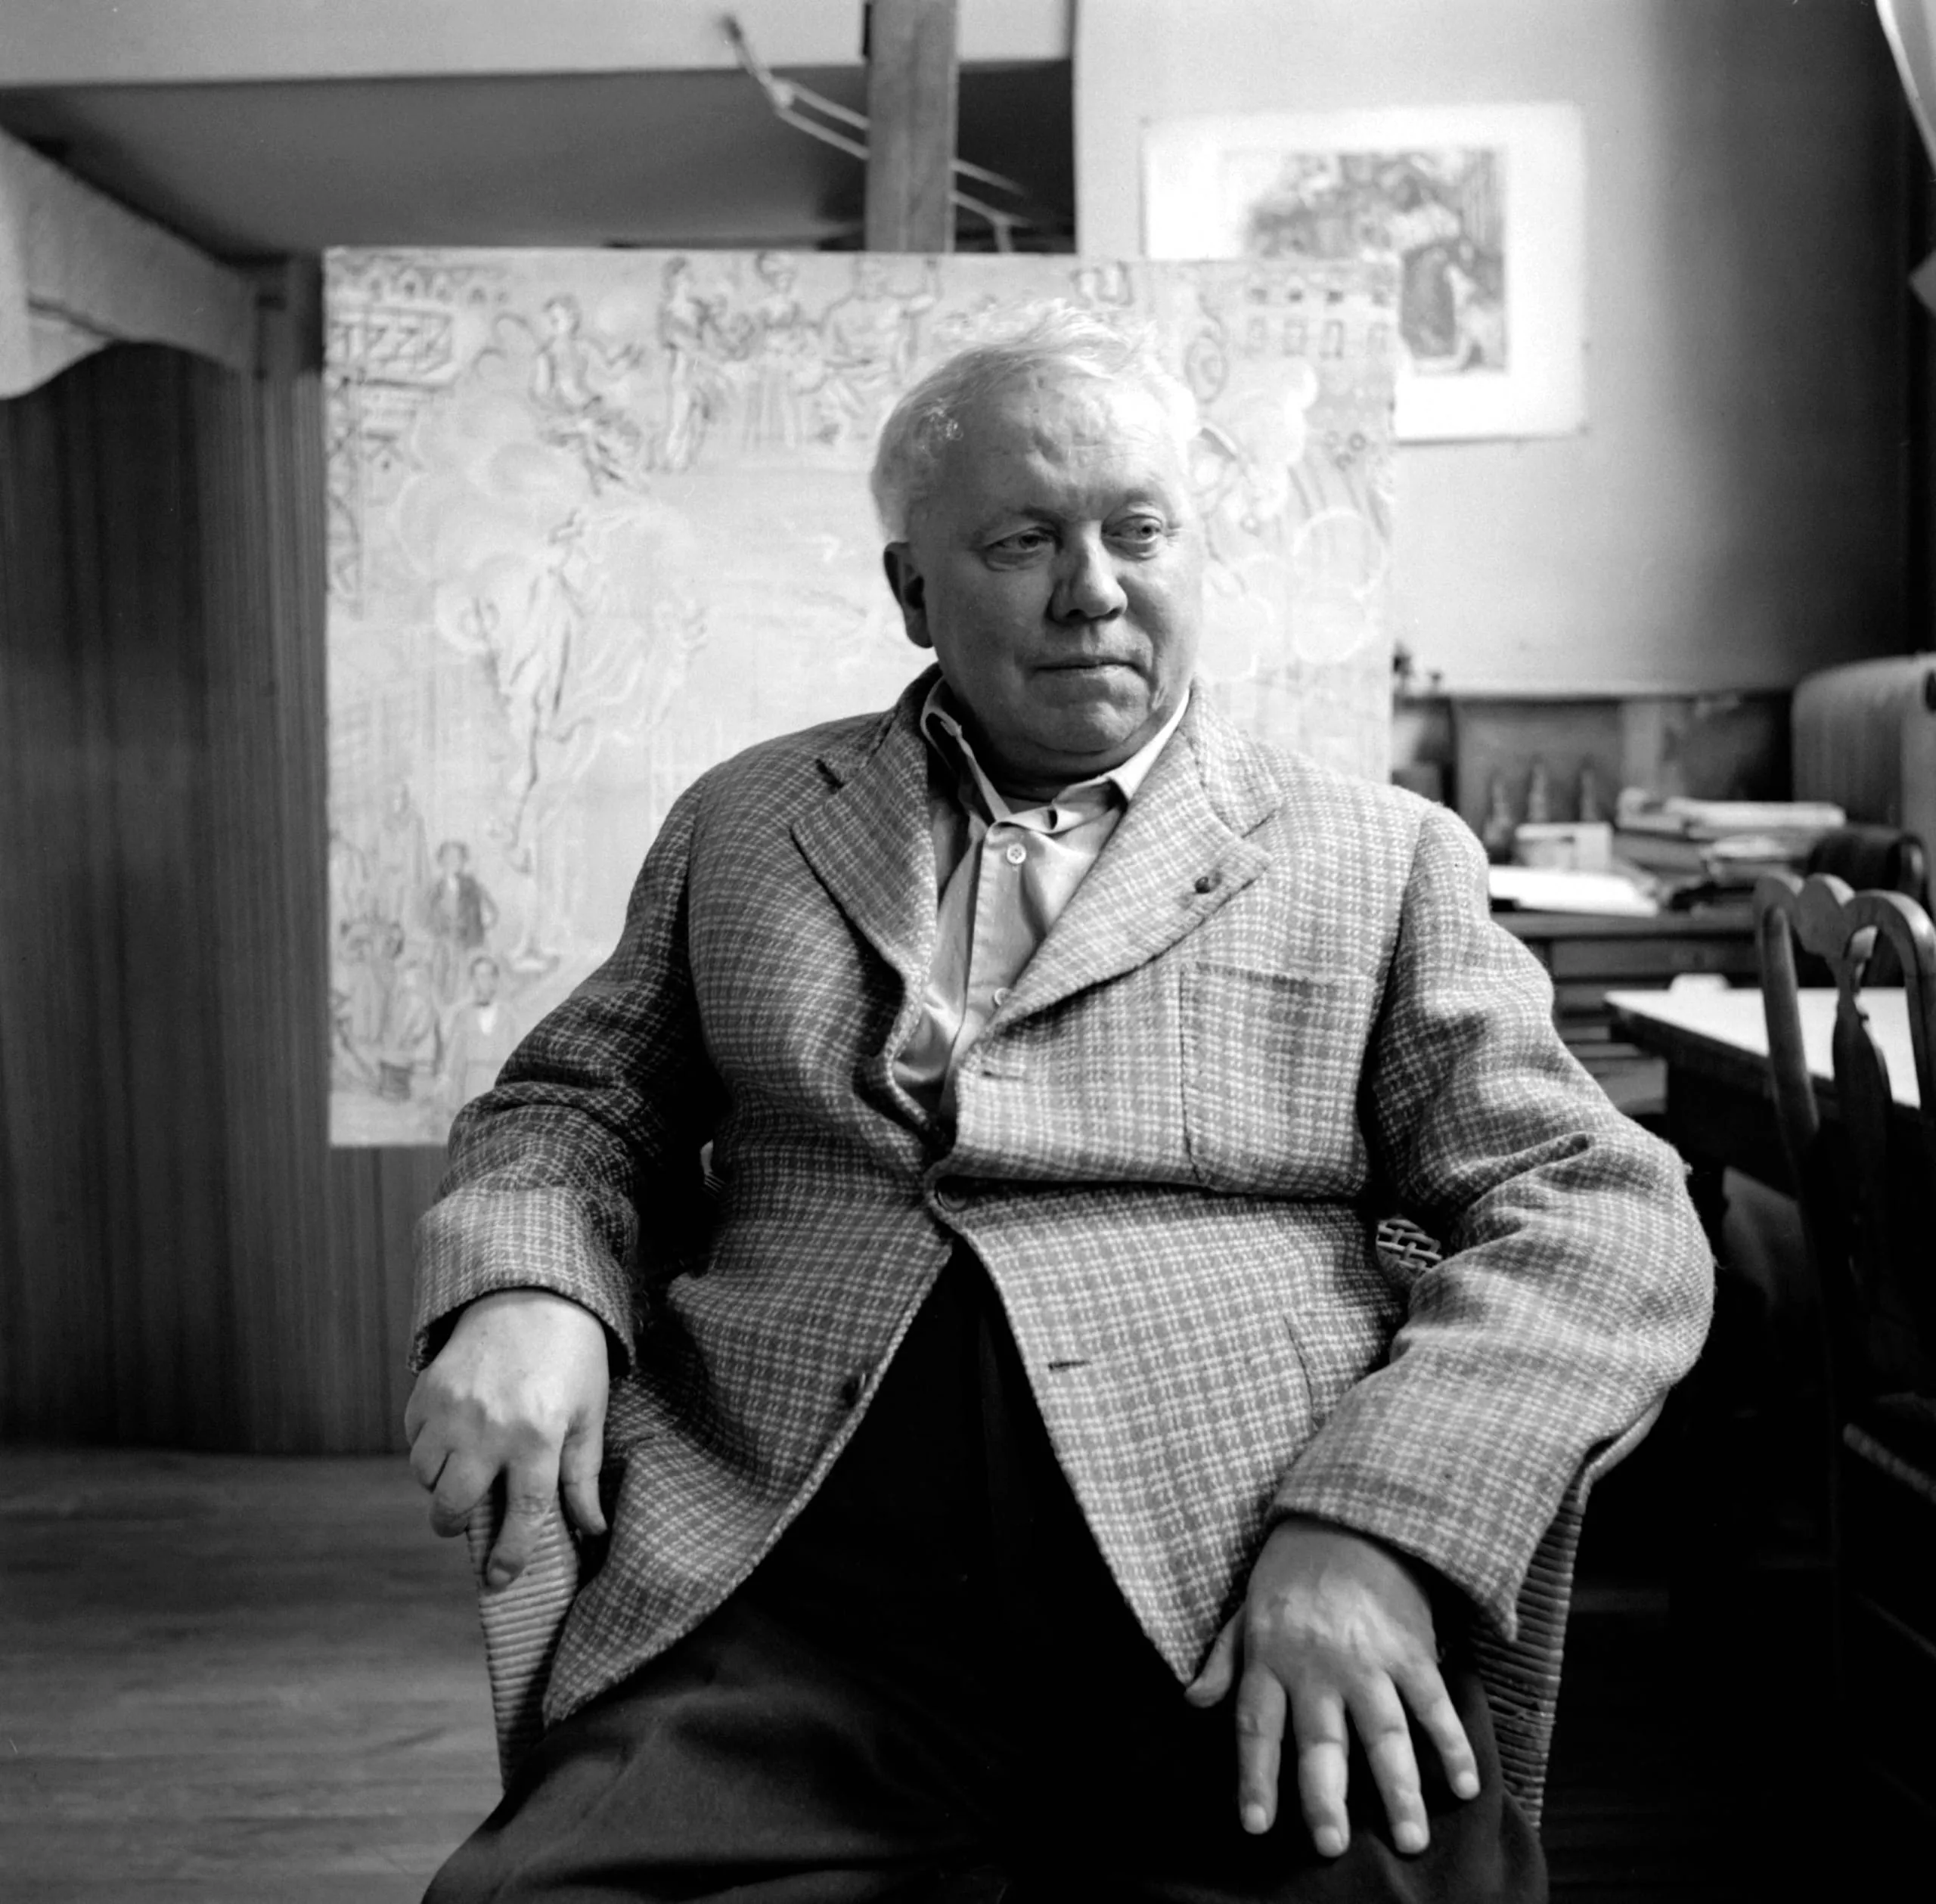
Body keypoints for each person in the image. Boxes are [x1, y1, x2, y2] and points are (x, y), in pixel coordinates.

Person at [405, 304, 1711, 1902]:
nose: (1091, 587)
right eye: (1022, 540)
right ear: (913, 589)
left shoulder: (1377, 856)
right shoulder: (744, 821)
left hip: (1232, 1577)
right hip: (796, 1587)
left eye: (1136, 531)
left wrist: (1378, 1525)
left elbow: (1599, 1209)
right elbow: (574, 1104)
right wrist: (528, 1285)